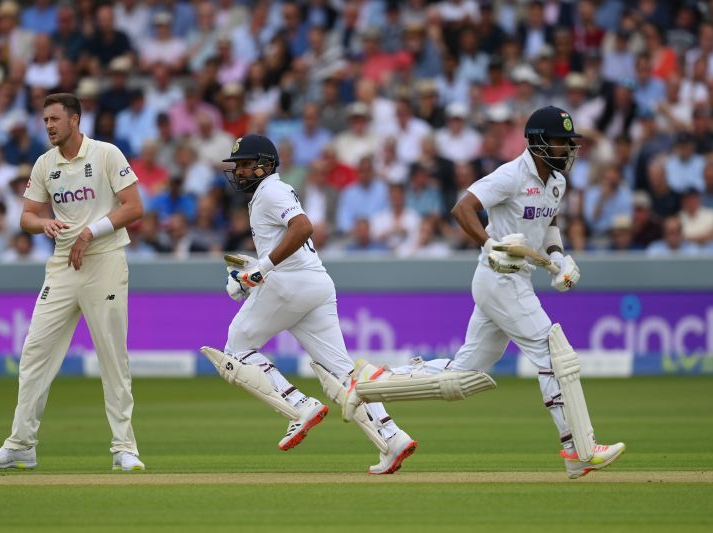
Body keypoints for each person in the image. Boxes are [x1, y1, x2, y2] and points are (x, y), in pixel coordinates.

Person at [342, 107, 625, 479]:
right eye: (561, 141)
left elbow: (548, 222)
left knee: (464, 375)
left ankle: (371, 383)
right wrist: (489, 243)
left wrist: (559, 257)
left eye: (571, 143)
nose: (568, 149)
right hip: (498, 276)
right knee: (554, 354)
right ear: (538, 142)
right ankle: (578, 450)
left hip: (517, 279)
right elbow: (463, 209)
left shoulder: (557, 182)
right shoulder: (510, 175)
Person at [202, 134, 416, 474]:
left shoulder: (272, 190)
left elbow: (303, 227)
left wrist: (263, 269)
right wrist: (250, 272)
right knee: (342, 372)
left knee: (237, 346)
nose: (239, 172)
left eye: (245, 165)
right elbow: (282, 242)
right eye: (237, 166)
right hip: (315, 283)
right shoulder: (267, 193)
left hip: (289, 283)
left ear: (266, 164)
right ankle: (392, 436)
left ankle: (300, 405)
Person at [0, 93, 146, 472]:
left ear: (75, 120)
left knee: (112, 358)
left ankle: (124, 448)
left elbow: (134, 207)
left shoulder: (106, 154)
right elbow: (27, 216)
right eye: (45, 120)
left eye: (55, 119)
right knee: (35, 353)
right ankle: (21, 444)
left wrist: (90, 232)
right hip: (62, 267)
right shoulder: (44, 164)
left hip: (104, 261)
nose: (49, 125)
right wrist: (44, 224)